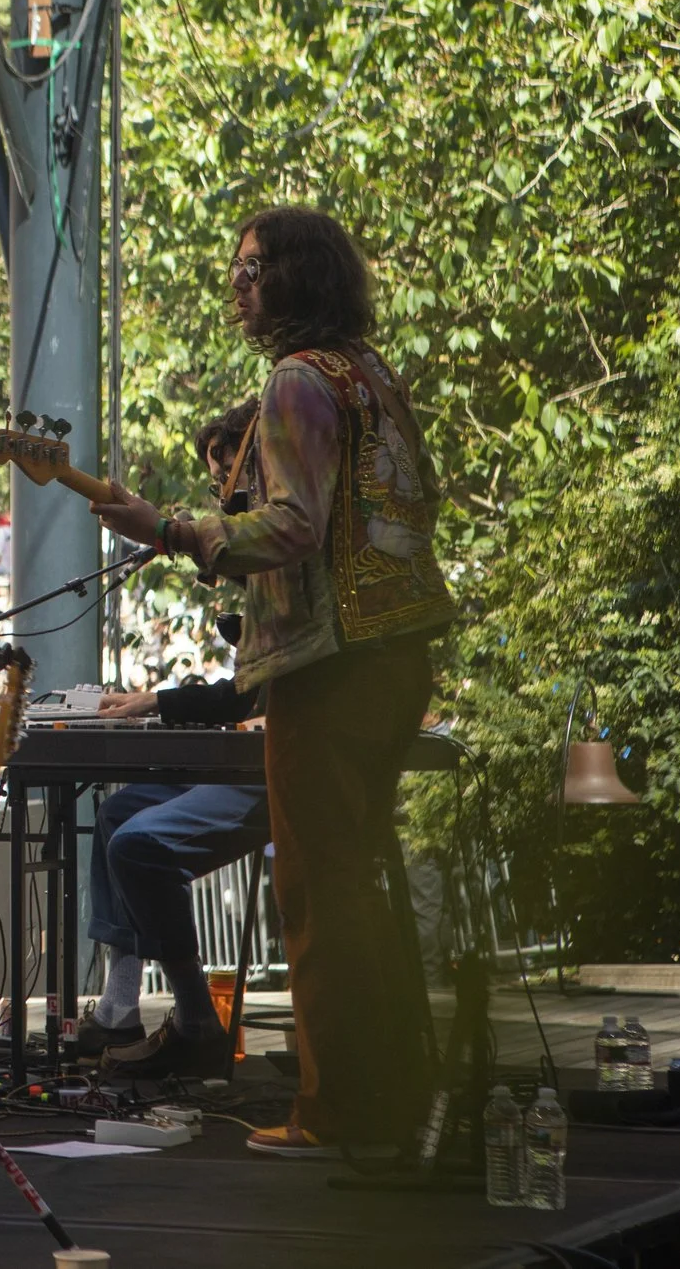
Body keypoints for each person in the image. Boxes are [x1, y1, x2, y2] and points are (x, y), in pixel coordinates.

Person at [91, 206, 453, 1158]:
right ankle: (401, 1090)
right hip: (396, 652)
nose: (237, 286)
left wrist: (172, 527)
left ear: (294, 277)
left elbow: (292, 525)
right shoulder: (371, 372)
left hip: (329, 669)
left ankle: (336, 1114)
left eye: (252, 270)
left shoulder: (297, 379)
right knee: (359, 883)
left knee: (318, 891)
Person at [80, 402, 270, 1078]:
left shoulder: (283, 539)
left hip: (284, 765)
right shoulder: (257, 554)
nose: (223, 493)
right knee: (117, 811)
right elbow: (243, 691)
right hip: (253, 754)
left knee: (138, 843)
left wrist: (163, 530)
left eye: (227, 473)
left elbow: (250, 696)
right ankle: (119, 1006)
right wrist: (154, 701)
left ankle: (195, 1021)